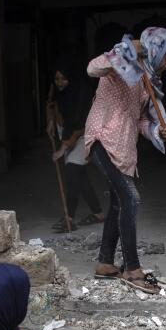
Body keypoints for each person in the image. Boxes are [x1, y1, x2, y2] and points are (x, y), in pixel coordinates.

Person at [84, 27, 166, 295]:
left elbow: (140, 120)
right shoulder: (122, 63)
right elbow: (93, 68)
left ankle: (105, 262)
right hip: (102, 139)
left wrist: (156, 130)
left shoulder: (146, 81)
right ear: (155, 50)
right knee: (130, 199)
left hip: (124, 148)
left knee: (119, 202)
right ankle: (132, 268)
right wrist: (124, 50)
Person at [46, 66, 105, 232]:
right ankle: (98, 213)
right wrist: (50, 121)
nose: (60, 83)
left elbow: (78, 126)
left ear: (71, 78)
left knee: (72, 170)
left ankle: (69, 217)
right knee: (80, 176)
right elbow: (50, 103)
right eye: (57, 79)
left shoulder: (80, 95)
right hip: (68, 131)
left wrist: (62, 149)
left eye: (63, 79)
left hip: (84, 134)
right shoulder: (58, 90)